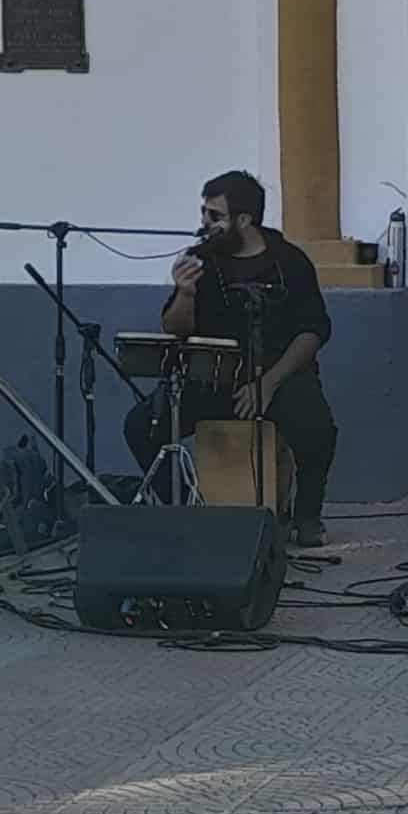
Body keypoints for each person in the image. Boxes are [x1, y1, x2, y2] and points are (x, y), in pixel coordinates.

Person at [123, 170, 338, 546]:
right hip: (213, 376)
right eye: (203, 213)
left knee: (318, 429)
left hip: (279, 375)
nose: (204, 223)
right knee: (141, 426)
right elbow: (175, 329)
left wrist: (268, 383)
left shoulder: (289, 261)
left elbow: (313, 331)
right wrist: (185, 293)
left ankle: (306, 517)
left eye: (214, 216)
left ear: (244, 220)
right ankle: (187, 508)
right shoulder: (199, 259)